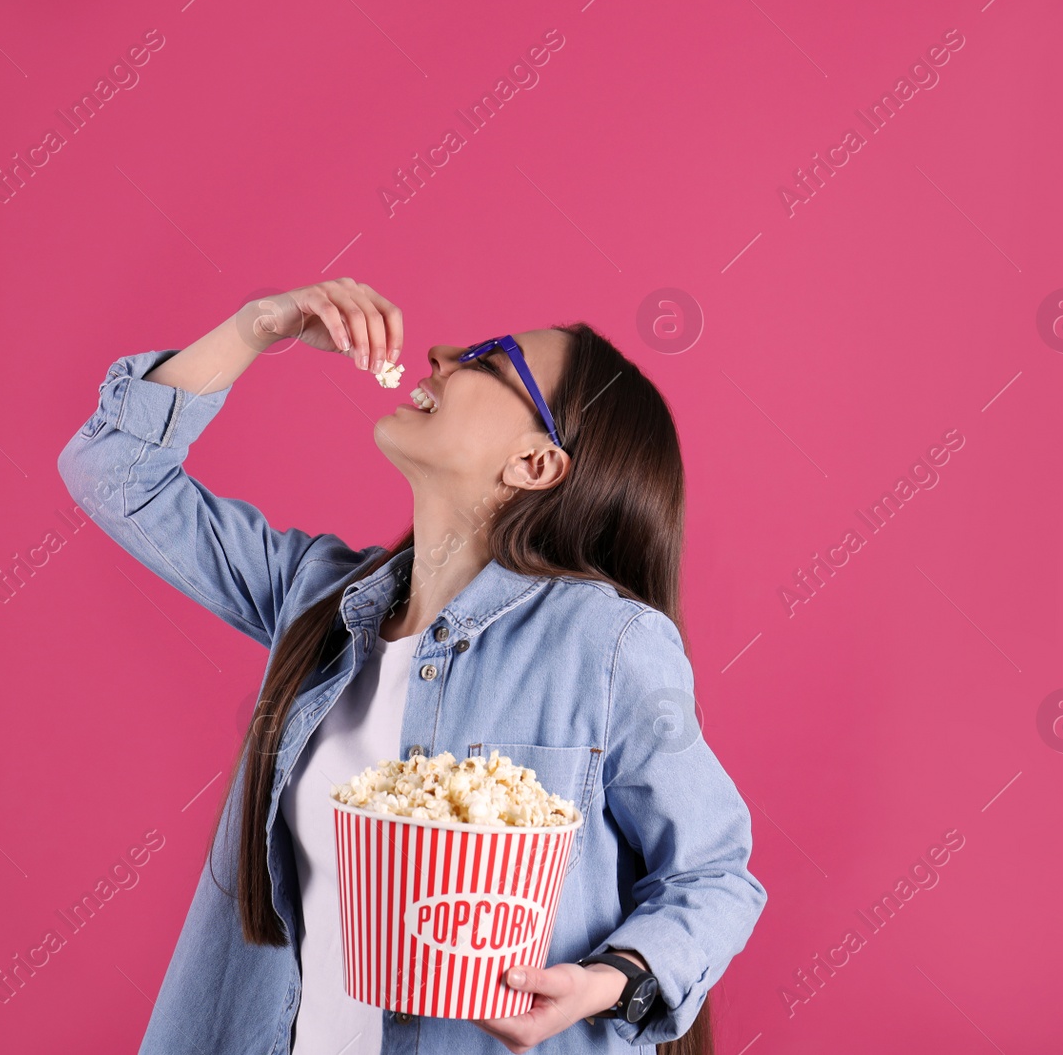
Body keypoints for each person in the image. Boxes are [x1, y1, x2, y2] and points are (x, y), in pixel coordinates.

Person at [56, 279, 767, 1054]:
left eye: (491, 360)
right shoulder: (318, 597)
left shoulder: (606, 642)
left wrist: (605, 980)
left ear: (535, 462)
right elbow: (112, 467)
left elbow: (714, 871)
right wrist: (258, 327)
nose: (442, 354)